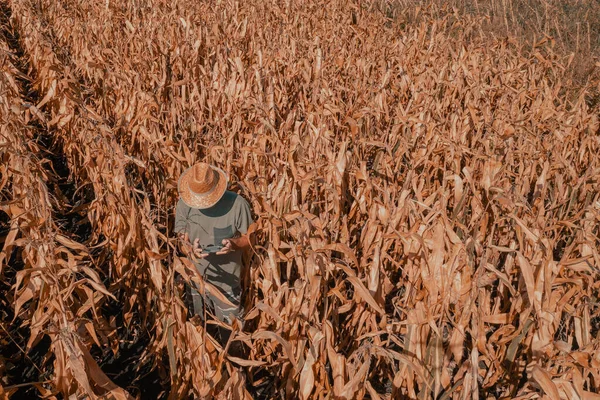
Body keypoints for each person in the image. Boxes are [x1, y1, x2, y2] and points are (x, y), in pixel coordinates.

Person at [174, 162, 253, 329]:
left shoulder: (237, 204)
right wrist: (190, 248)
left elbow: (250, 238)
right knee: (201, 332)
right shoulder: (184, 204)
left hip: (227, 285)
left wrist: (234, 244)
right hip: (196, 281)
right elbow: (182, 240)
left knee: (231, 336)